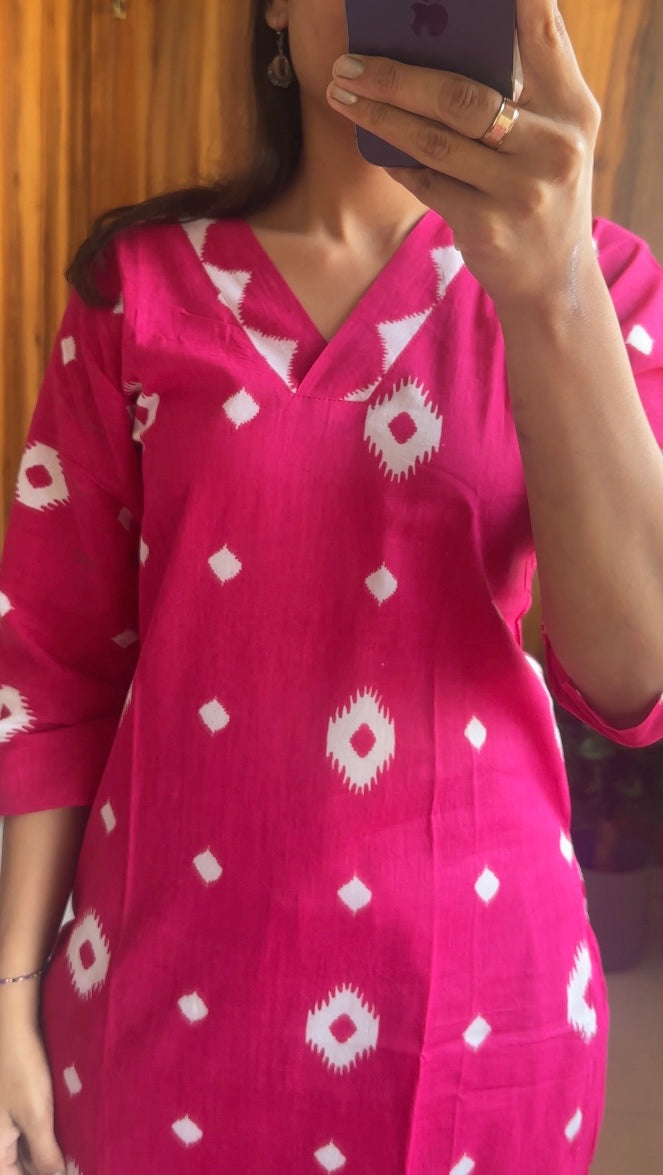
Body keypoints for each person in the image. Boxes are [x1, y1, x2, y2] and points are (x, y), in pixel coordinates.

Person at [1, 0, 662, 1172]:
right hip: (160, 1006)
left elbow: (633, 679)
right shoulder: (133, 290)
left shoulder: (602, 284)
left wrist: (549, 292)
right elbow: (52, 672)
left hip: (482, 1018)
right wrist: (11, 983)